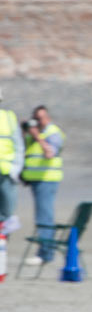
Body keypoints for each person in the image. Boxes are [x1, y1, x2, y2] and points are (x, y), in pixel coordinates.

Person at [20, 106, 65, 266]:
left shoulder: (53, 133)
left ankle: (45, 253)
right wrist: (24, 132)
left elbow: (49, 153)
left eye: (40, 119)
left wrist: (36, 135)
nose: (37, 122)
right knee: (42, 215)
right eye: (35, 119)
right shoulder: (34, 134)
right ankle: (45, 251)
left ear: (47, 118)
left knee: (44, 216)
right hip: (35, 180)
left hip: (47, 179)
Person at [0, 89, 25, 236]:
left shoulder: (9, 117)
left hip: (7, 172)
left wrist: (16, 168)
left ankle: (2, 249)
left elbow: (18, 146)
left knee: (7, 214)